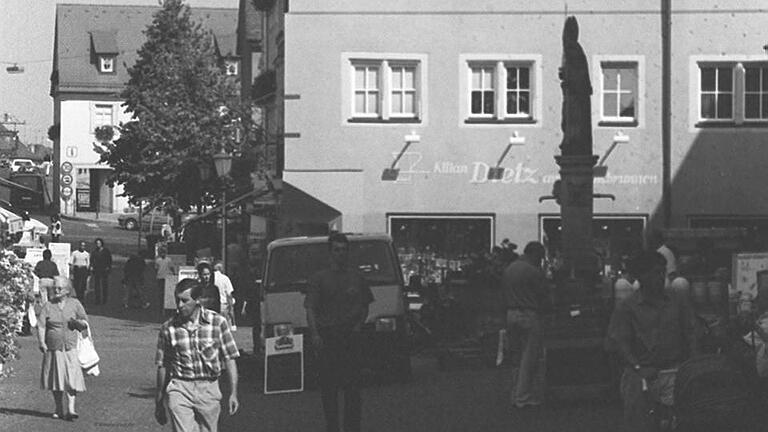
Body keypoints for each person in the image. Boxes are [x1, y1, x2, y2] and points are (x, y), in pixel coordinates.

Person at [607, 251, 698, 432]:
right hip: (639, 375)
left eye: (662, 272)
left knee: (679, 423)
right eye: (655, 272)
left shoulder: (677, 300)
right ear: (641, 276)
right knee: (641, 425)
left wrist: (694, 366)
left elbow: (691, 332)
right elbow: (619, 343)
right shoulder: (627, 306)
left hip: (675, 371)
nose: (660, 277)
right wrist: (639, 368)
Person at [305, 232, 373, 432]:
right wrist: (315, 334)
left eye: (344, 250)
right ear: (330, 252)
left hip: (350, 336)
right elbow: (310, 308)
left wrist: (359, 324)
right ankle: (332, 427)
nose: (340, 254)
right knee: (329, 389)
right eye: (337, 250)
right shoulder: (319, 279)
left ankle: (353, 428)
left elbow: (365, 304)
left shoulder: (356, 277)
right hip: (328, 337)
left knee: (353, 389)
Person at [154, 278, 240, 432]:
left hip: (208, 388)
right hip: (180, 387)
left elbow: (230, 358)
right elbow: (163, 365)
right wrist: (159, 399)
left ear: (198, 300)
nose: (179, 305)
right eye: (177, 300)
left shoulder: (217, 323)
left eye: (184, 301)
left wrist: (233, 393)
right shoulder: (168, 328)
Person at [502, 241, 548, 409]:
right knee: (529, 358)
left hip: (510, 313)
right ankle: (523, 396)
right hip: (529, 314)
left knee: (516, 357)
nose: (541, 260)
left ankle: (514, 395)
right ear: (535, 254)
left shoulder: (509, 269)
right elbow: (543, 295)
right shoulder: (533, 271)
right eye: (540, 257)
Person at [37, 276, 89, 421]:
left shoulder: (75, 303)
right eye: (55, 288)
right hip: (53, 348)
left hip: (70, 346)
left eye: (59, 288)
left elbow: (85, 322)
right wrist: (42, 342)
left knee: (71, 377)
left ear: (67, 290)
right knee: (56, 379)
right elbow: (41, 325)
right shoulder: (48, 305)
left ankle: (71, 408)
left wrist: (78, 323)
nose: (56, 290)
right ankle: (59, 408)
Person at [154, 248, 176, 318]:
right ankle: (162, 309)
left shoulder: (167, 260)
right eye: (162, 253)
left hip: (166, 277)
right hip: (162, 277)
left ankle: (165, 309)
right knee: (162, 293)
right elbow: (156, 268)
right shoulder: (159, 260)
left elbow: (156, 269)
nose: (163, 254)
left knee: (166, 294)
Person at [90, 238, 112, 305]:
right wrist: (92, 266)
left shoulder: (106, 251)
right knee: (97, 286)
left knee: (104, 285)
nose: (98, 245)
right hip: (97, 270)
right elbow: (92, 260)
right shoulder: (94, 252)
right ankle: (97, 299)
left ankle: (104, 299)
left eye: (99, 243)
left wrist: (108, 267)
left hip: (104, 270)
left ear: (102, 244)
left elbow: (109, 260)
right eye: (96, 243)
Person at [213, 261, 235, 328]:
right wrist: (231, 307)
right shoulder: (225, 278)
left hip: (212, 305)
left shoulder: (210, 278)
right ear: (221, 269)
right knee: (224, 327)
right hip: (223, 305)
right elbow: (229, 294)